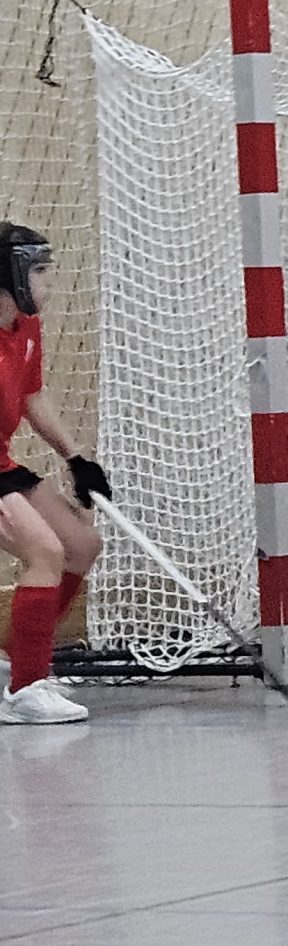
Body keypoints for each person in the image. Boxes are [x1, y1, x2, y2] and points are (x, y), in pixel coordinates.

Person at [0, 225, 108, 725]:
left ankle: (16, 660)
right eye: (40, 271)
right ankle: (26, 692)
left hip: (3, 464)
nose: (48, 282)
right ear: (11, 274)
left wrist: (76, 458)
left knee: (81, 544)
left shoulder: (26, 327)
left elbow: (32, 397)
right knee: (44, 552)